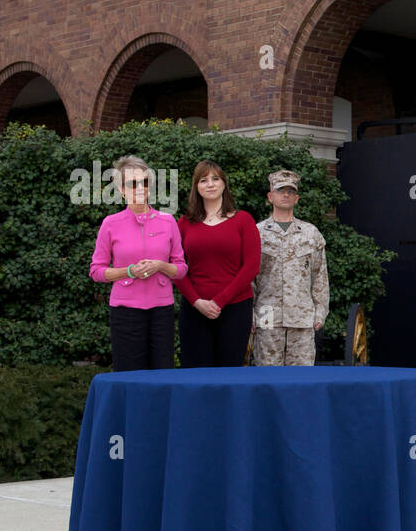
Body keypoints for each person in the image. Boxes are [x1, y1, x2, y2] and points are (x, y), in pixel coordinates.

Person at [89, 155, 187, 371]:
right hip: (126, 311)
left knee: (162, 373)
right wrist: (129, 271)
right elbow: (97, 271)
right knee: (129, 374)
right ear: (121, 190)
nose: (140, 188)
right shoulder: (110, 224)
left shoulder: (168, 221)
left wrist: (160, 266)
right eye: (132, 184)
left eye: (144, 182)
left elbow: (181, 269)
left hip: (161, 311)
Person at [174, 161, 261, 368]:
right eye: (203, 180)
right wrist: (197, 302)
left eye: (215, 179)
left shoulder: (243, 220)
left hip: (235, 309)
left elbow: (251, 266)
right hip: (195, 309)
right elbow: (176, 267)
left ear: (224, 184)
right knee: (194, 375)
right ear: (196, 187)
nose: (210, 184)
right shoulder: (184, 223)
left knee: (229, 374)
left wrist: (219, 301)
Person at [252, 170, 329, 366]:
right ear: (270, 197)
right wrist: (249, 314)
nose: (285, 194)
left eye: (290, 191)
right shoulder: (257, 232)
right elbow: (249, 277)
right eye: (280, 190)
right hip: (267, 315)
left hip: (302, 316)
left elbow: (320, 276)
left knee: (302, 378)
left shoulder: (310, 233)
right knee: (266, 377)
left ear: (296, 198)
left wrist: (320, 311)